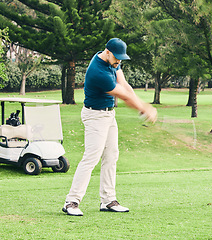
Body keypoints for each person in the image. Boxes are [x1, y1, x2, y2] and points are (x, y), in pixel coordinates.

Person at [62, 38, 157, 216]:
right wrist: (145, 108)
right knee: (91, 157)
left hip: (108, 114)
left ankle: (108, 200)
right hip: (95, 116)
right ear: (107, 52)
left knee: (111, 155)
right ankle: (71, 202)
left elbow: (125, 85)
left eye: (121, 58)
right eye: (117, 58)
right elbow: (123, 95)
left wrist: (142, 106)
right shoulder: (98, 72)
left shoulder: (112, 60)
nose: (119, 62)